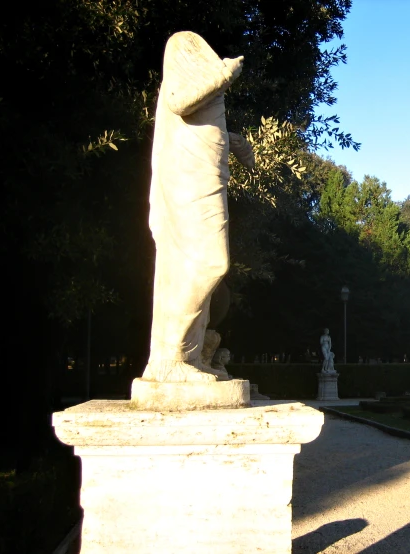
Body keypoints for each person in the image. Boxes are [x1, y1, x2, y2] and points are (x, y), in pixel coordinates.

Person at [142, 31, 254, 383]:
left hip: (205, 181)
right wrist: (222, 76)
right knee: (208, 263)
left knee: (197, 267)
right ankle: (174, 358)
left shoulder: (206, 89)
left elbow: (202, 127)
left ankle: (188, 359)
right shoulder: (180, 48)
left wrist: (233, 142)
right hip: (188, 183)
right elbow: (179, 101)